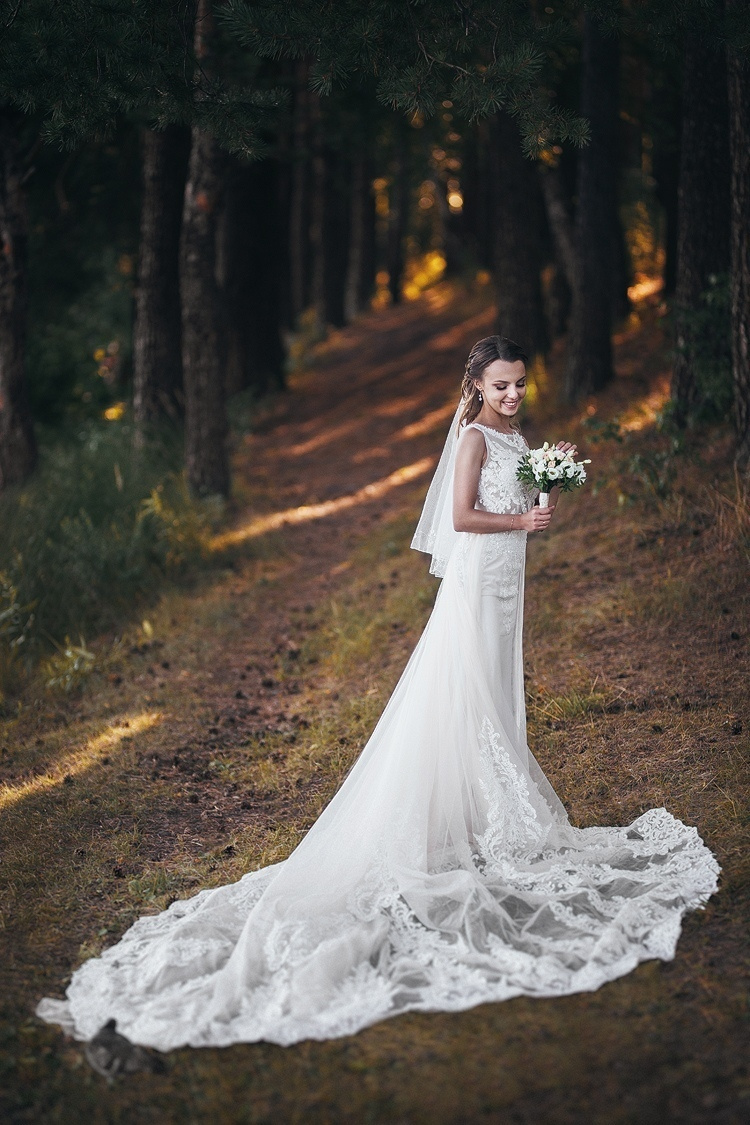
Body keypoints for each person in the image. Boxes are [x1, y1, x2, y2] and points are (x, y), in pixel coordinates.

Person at [37, 335, 719, 1051]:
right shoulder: (475, 439)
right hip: (480, 580)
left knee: (494, 686)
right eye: (501, 386)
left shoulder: (517, 434)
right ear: (478, 387)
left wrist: (546, 488)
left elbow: (521, 503)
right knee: (469, 690)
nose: (513, 395)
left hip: (510, 578)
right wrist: (521, 519)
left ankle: (484, 806)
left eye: (520, 384)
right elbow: (462, 518)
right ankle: (474, 815)